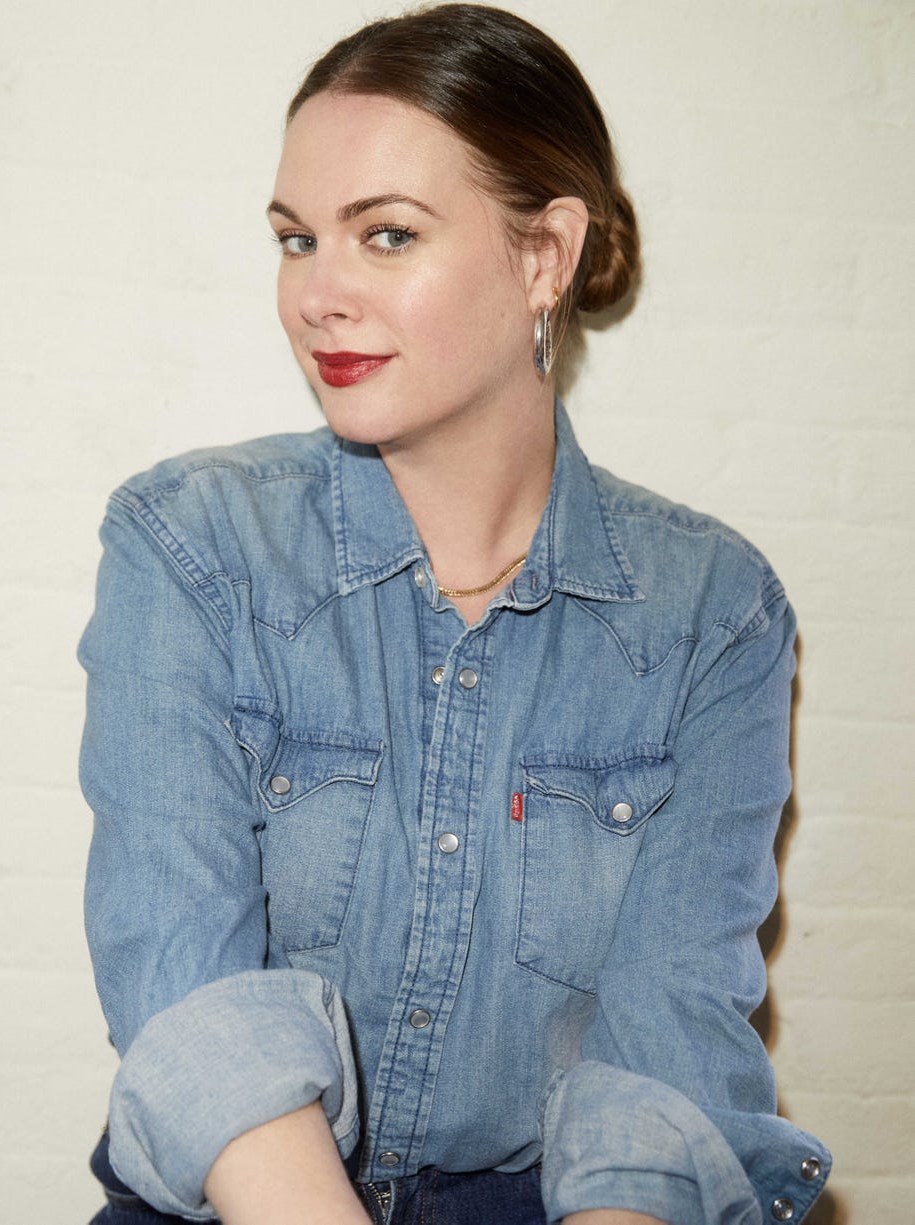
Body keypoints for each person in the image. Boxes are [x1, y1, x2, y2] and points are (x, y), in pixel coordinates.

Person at [79, 5, 831, 1223]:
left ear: (543, 258)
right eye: (293, 239)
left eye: (383, 234)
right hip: (241, 1192)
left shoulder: (714, 615)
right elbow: (180, 967)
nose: (316, 294)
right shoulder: (190, 543)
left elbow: (667, 1042)